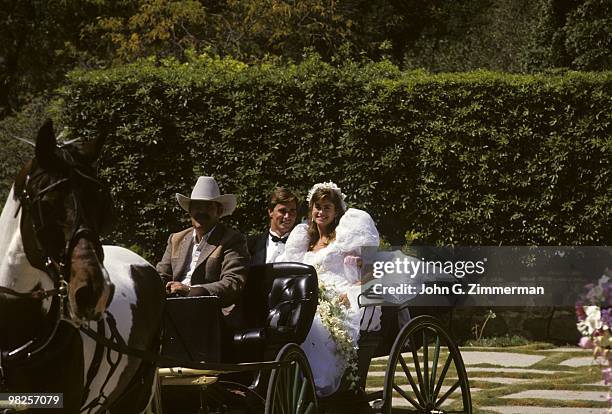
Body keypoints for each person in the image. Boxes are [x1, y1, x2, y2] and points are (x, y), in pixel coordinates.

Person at [280, 181, 380, 397]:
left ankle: (313, 385)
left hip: (339, 299)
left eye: (327, 207)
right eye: (318, 206)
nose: (321, 212)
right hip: (309, 297)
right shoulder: (304, 241)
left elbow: (372, 269)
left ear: (336, 211)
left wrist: (355, 289)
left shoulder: (346, 236)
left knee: (314, 324)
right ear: (311, 209)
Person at [156, 176, 249, 307]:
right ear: (189, 211)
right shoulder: (176, 239)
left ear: (219, 211)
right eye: (196, 206)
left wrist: (190, 291)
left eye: (208, 207)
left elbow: (232, 282)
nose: (201, 211)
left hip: (210, 309)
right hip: (172, 306)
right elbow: (161, 275)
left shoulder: (232, 240)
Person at [248, 187, 299, 265]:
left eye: (292, 211)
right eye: (282, 211)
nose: (287, 216)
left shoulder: (303, 244)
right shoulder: (250, 245)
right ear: (270, 212)